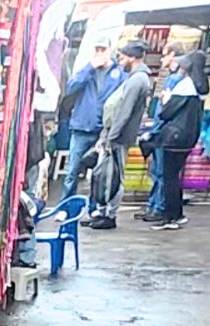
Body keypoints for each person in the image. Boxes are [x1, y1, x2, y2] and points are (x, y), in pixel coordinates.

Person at [88, 42, 153, 229]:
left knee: (114, 175)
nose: (120, 60)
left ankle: (109, 215)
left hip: (119, 137)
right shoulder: (135, 78)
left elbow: (124, 111)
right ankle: (103, 212)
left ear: (132, 57)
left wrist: (111, 137)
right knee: (105, 174)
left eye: (123, 57)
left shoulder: (137, 80)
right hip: (115, 135)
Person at [60, 38, 124, 198]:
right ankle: (66, 204)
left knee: (99, 172)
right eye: (97, 49)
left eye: (103, 50)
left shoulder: (119, 74)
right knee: (72, 171)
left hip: (102, 130)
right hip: (81, 127)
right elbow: (70, 87)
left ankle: (94, 206)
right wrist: (89, 67)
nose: (100, 53)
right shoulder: (87, 70)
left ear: (110, 50)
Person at [149, 50, 206, 230]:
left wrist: (166, 100)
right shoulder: (200, 86)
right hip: (188, 138)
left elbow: (166, 113)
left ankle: (169, 217)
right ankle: (177, 214)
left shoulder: (185, 86)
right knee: (175, 176)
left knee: (169, 178)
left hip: (175, 138)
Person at [140, 43, 187, 222]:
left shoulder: (175, 79)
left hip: (164, 130)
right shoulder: (174, 78)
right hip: (163, 129)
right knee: (157, 171)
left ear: (173, 55)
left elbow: (165, 107)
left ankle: (158, 207)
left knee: (160, 172)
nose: (161, 59)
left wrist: (156, 129)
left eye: (165, 55)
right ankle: (154, 206)